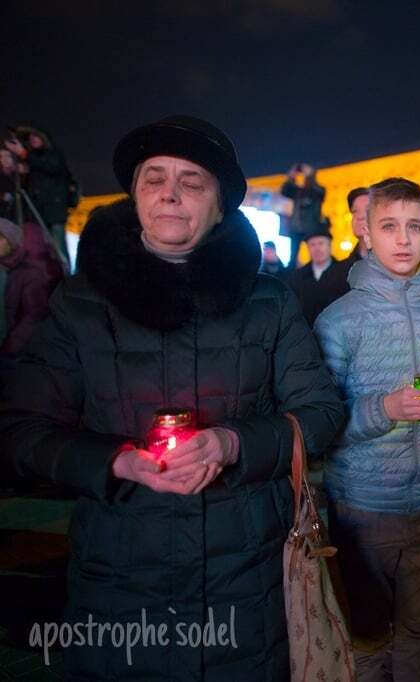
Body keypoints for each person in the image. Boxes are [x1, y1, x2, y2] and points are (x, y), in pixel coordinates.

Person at [0, 115, 344, 680]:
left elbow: (323, 412)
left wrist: (232, 444)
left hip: (246, 584)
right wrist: (115, 461)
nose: (170, 193)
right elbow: (21, 429)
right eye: (154, 177)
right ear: (134, 195)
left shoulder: (268, 302)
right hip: (120, 581)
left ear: (219, 203)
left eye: (192, 181)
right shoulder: (81, 304)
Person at [314, 177, 420, 682]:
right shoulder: (338, 320)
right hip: (365, 508)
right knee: (368, 633)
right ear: (366, 233)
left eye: (414, 226)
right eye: (389, 226)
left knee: (419, 627)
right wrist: (386, 407)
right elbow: (321, 424)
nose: (402, 239)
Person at [4, 126, 77, 263]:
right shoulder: (32, 159)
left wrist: (23, 153)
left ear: (43, 137)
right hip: (39, 211)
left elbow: (50, 166)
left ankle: (66, 276)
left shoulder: (53, 154)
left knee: (58, 246)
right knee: (45, 248)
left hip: (54, 210)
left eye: (35, 137)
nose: (33, 140)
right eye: (30, 139)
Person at [0, 220, 65, 356]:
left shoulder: (29, 273)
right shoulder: (6, 270)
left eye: (0, 238)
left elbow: (33, 315)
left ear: (11, 241)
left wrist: (9, 348)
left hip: (16, 353)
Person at [289, 223, 348, 325]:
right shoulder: (297, 277)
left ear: (329, 245)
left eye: (321, 243)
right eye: (312, 245)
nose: (317, 248)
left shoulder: (344, 273)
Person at [281, 162, 326, 265]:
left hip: (312, 229)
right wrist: (291, 177)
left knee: (315, 255)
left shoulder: (317, 191)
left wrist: (310, 176)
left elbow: (316, 190)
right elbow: (284, 190)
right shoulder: (297, 192)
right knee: (293, 258)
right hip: (296, 229)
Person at [334, 186, 370, 298]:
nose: (359, 217)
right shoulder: (337, 273)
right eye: (355, 211)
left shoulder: (399, 267)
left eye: (368, 210)